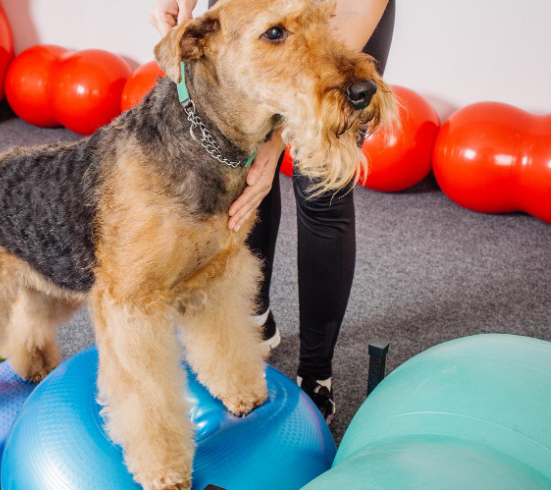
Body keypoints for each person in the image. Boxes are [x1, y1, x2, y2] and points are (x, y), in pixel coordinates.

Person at [149, 0, 395, 423]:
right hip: (253, 13)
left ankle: (316, 370)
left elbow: (353, 12)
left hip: (344, 11)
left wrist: (277, 137)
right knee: (241, 178)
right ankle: (256, 314)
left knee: (322, 192)